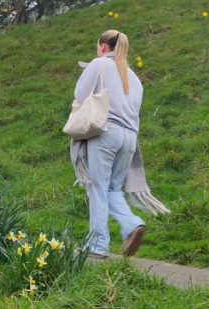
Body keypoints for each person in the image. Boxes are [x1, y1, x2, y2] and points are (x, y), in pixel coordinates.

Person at [70, 29, 168, 260]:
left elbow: (80, 94)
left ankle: (97, 246)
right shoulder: (134, 77)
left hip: (106, 133)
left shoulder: (99, 64)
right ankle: (132, 224)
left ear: (103, 46)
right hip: (130, 138)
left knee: (97, 188)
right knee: (111, 188)